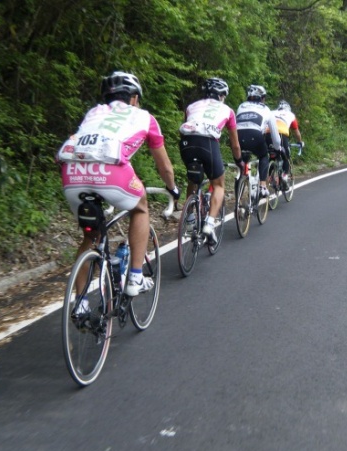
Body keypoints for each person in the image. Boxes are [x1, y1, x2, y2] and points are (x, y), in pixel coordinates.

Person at [58, 71, 179, 297]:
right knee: (141, 207)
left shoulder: (93, 112)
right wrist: (172, 187)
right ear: (133, 98)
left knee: (91, 237)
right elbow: (164, 167)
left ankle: (81, 304)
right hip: (110, 171)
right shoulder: (144, 116)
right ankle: (135, 277)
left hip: (71, 173)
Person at [178, 78, 242, 243]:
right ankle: (209, 224)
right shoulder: (227, 110)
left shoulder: (191, 106)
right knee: (219, 184)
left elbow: (187, 126)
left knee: (193, 178)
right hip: (207, 142)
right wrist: (239, 160)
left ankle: (190, 218)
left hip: (186, 143)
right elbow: (235, 145)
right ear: (221, 95)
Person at [235, 85, 282, 198]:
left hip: (238, 136)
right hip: (255, 135)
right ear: (261, 98)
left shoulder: (241, 106)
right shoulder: (266, 109)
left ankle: (239, 189)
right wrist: (278, 147)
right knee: (263, 156)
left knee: (242, 163)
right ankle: (262, 186)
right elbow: (275, 135)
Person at [272, 100, 304, 186]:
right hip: (281, 134)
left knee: (269, 153)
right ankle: (284, 176)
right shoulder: (291, 115)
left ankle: (267, 176)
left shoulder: (272, 112)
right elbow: (296, 132)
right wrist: (300, 142)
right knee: (286, 155)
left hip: (268, 133)